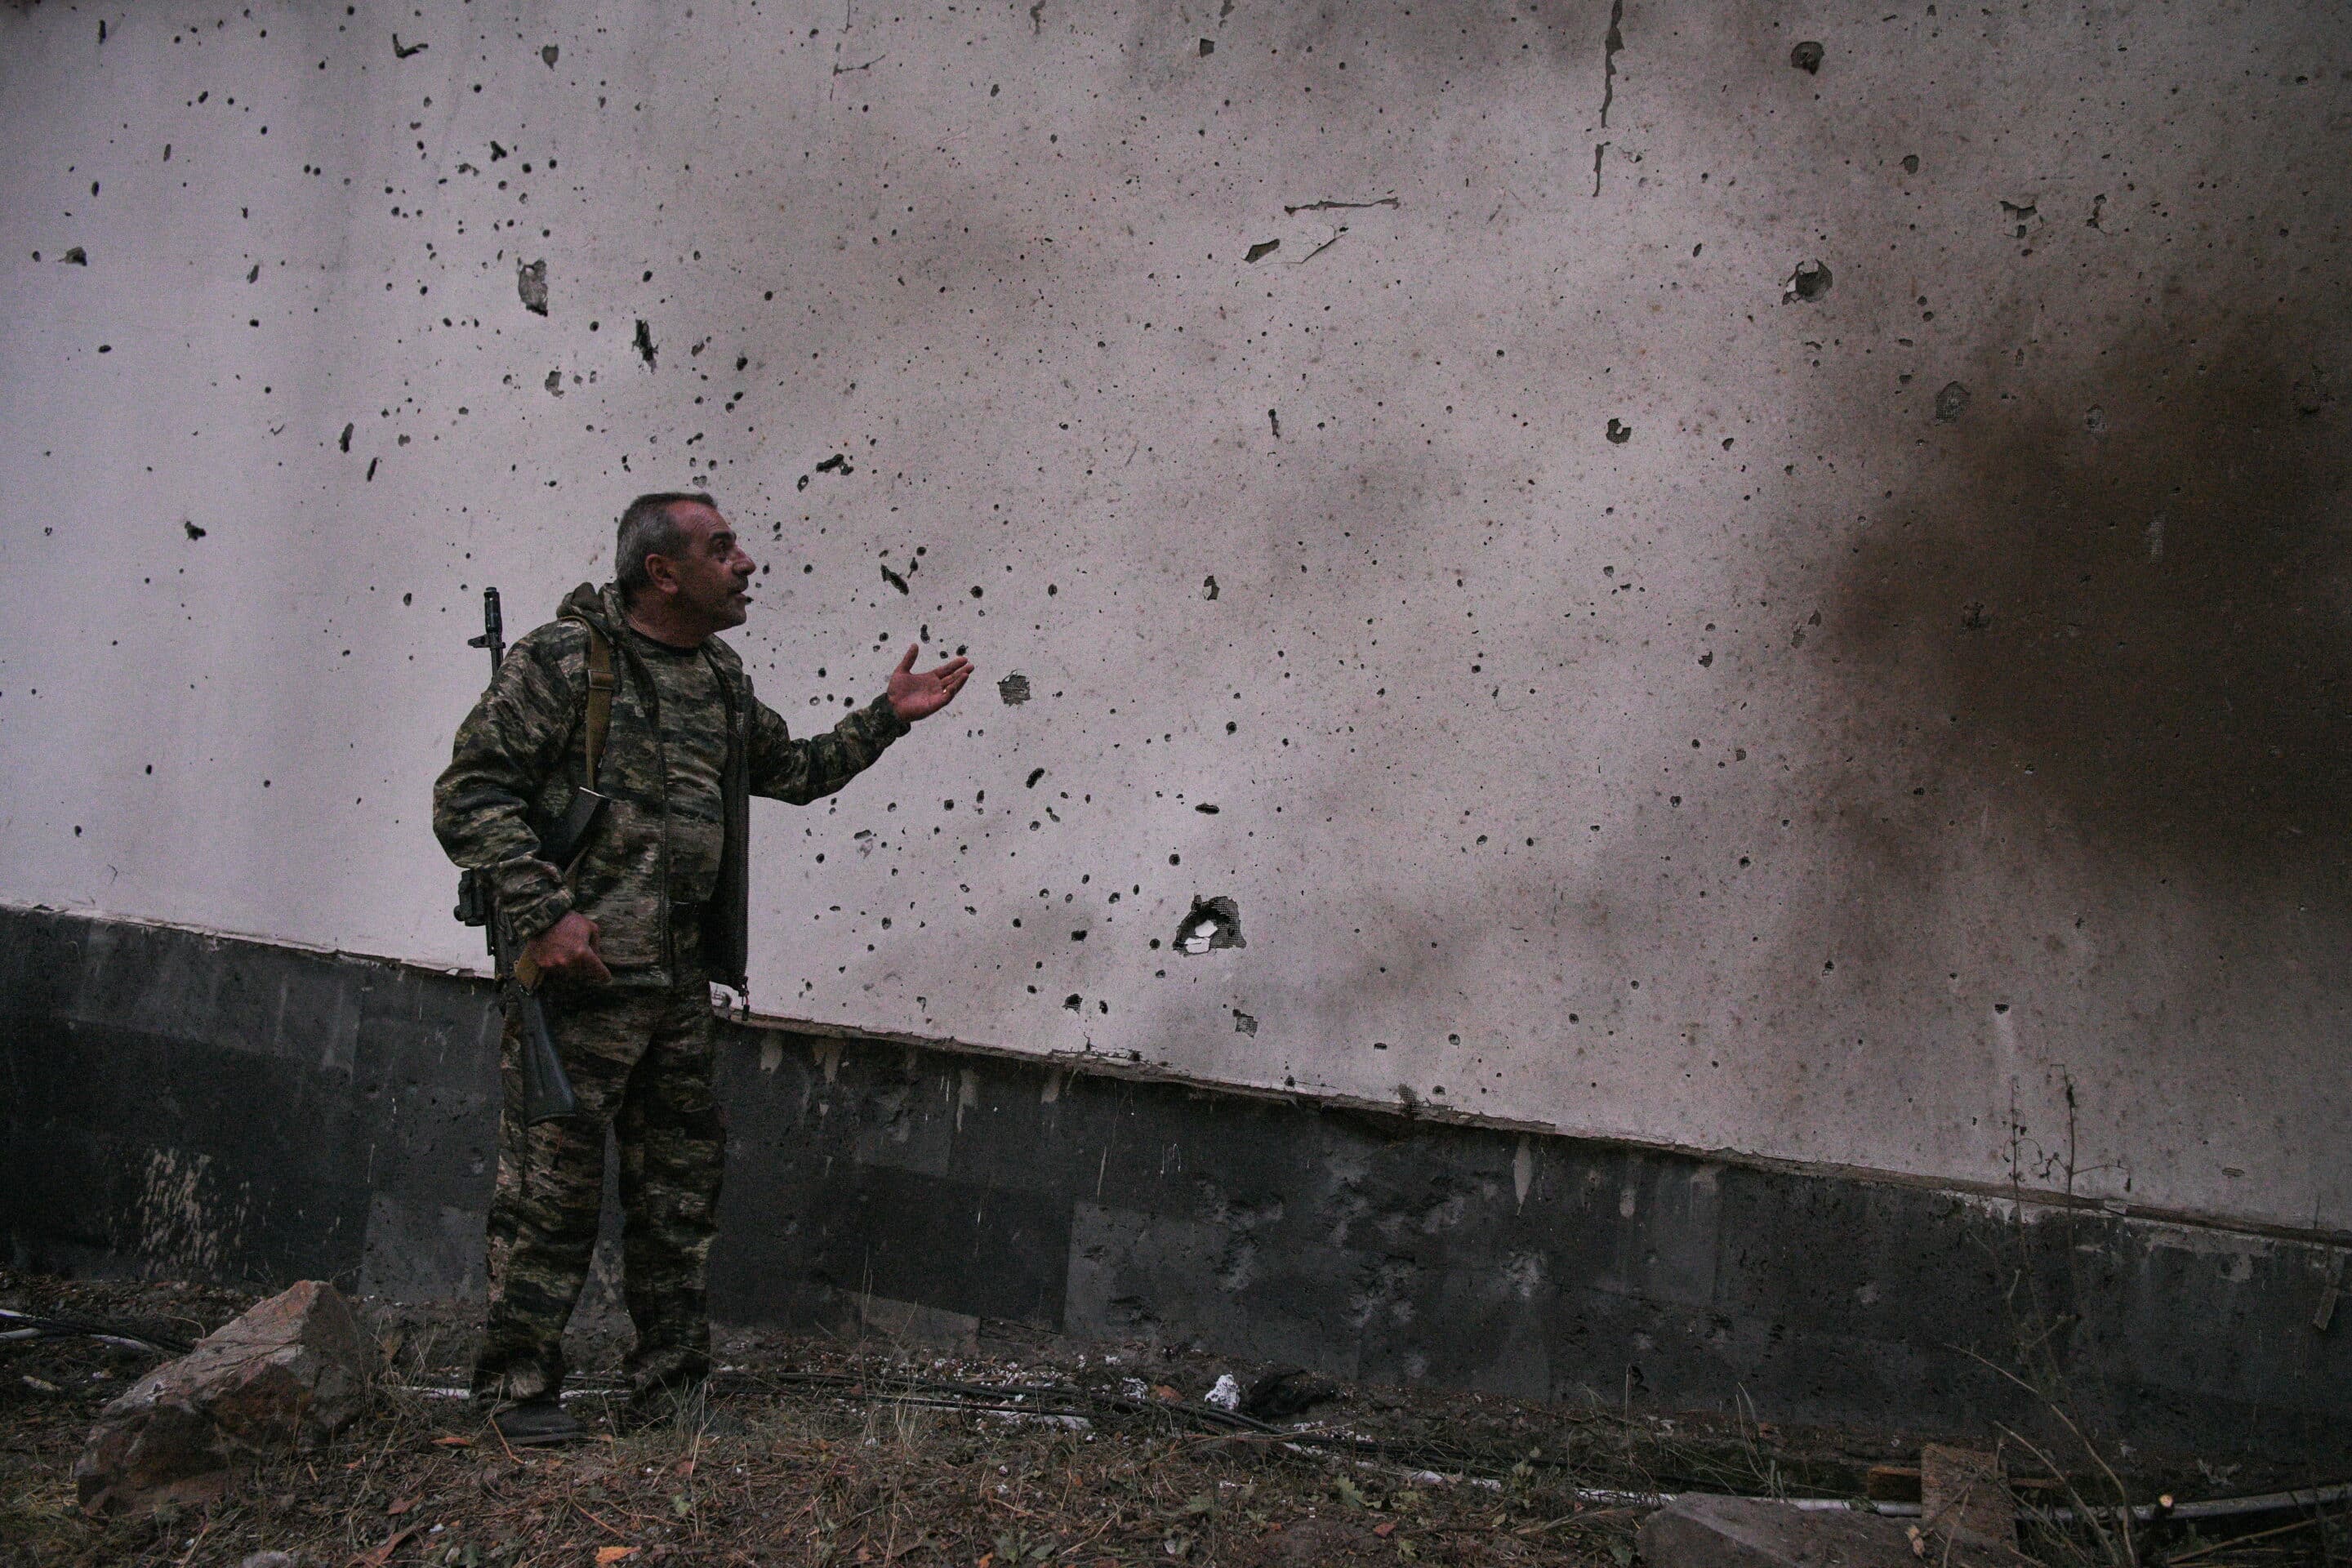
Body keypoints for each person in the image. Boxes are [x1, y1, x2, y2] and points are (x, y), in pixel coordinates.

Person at [432, 491, 971, 1443]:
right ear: (663, 572)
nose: (747, 562)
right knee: (548, 1201)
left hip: (679, 988)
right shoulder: (567, 664)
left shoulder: (718, 677)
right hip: (580, 988)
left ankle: (672, 1393)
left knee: (678, 1198)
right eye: (723, 549)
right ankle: (514, 1395)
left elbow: (794, 770)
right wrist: (545, 913)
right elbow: (471, 795)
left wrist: (887, 718)